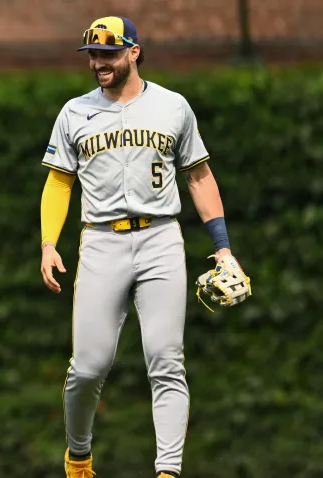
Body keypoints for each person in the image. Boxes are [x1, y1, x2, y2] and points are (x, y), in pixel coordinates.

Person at [39, 16, 249, 478]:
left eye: (109, 52)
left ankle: (168, 471)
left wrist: (223, 247)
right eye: (93, 54)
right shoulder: (75, 111)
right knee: (88, 368)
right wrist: (49, 243)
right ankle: (78, 455)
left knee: (166, 359)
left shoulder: (173, 107)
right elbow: (58, 181)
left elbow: (198, 175)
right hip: (100, 241)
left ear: (134, 51)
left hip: (160, 238)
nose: (98, 62)